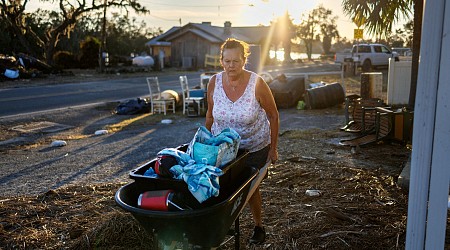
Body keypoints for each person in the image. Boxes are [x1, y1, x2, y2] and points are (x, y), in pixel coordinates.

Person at [205, 38, 279, 244]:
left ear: (244, 60)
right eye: (227, 61)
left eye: (236, 61)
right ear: (221, 61)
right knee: (221, 188)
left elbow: (273, 116)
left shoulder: (257, 83)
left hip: (253, 147)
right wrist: (205, 143)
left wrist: (273, 149)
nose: (231, 66)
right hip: (223, 149)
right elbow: (210, 115)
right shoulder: (214, 82)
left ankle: (258, 226)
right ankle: (221, 227)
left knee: (250, 189)